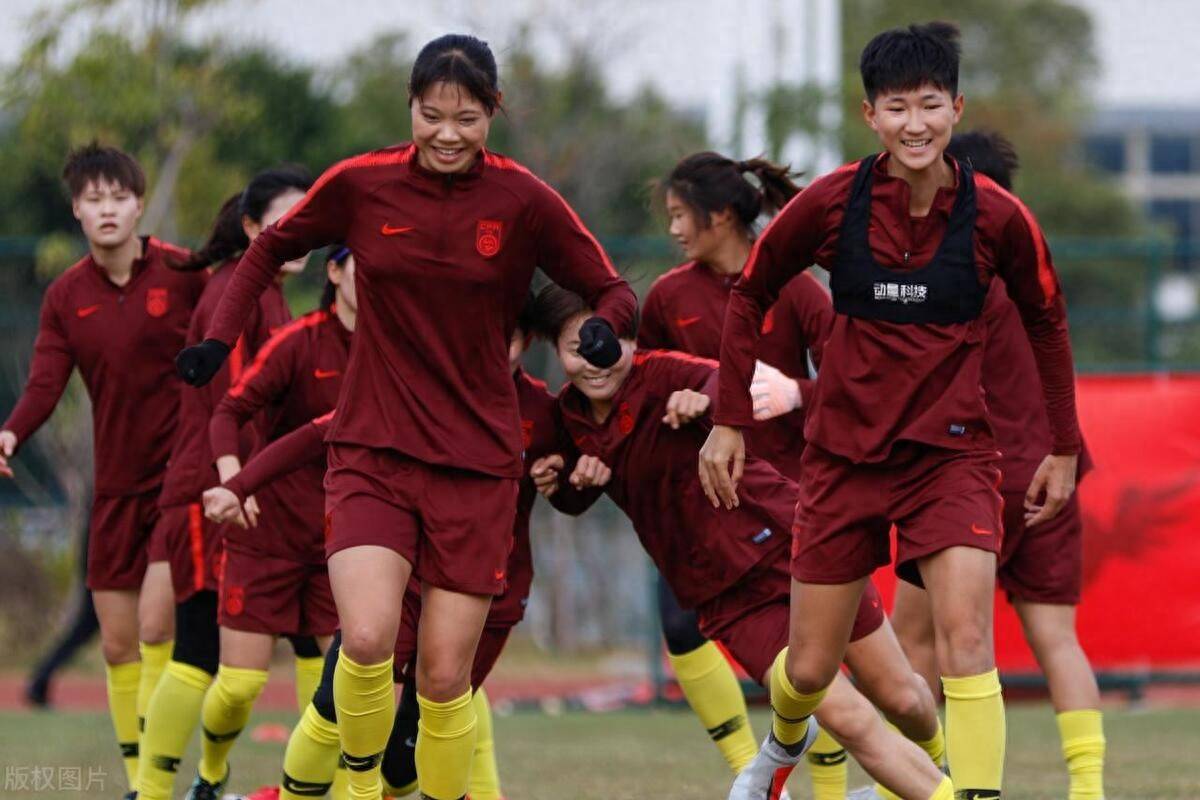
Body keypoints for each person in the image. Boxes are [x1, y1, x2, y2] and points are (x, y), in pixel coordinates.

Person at [176, 34, 637, 800]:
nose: (447, 134)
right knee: (364, 639)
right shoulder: (362, 183)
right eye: (431, 115)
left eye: (466, 118)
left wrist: (604, 330)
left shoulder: (523, 200)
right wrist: (217, 340)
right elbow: (265, 251)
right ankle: (358, 791)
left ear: (492, 113)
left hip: (476, 465)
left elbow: (613, 290)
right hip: (373, 449)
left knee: (444, 678)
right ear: (410, 107)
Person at [698, 23, 1082, 800]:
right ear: (870, 114)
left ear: (956, 108)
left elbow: (1047, 320)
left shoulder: (997, 216)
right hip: (843, 460)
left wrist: (1063, 446)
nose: (916, 124)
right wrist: (729, 420)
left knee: (966, 637)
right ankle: (784, 739)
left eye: (931, 105)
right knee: (809, 669)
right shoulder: (832, 203)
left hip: (953, 457)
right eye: (897, 107)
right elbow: (751, 293)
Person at [529, 285, 954, 800]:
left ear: (631, 338)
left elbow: (726, 379)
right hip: (725, 597)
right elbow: (570, 494)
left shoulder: (664, 373)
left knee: (903, 698)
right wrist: (570, 483)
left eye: (607, 341)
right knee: (847, 716)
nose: (595, 360)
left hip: (793, 549)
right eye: (577, 349)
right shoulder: (569, 419)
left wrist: (707, 399)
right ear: (555, 352)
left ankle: (941, 767)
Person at [201, 301, 587, 800]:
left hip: (485, 593)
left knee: (407, 761)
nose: (490, 350)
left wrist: (566, 482)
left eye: (505, 339)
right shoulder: (416, 393)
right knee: (332, 708)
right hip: (403, 587)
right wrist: (238, 485)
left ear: (526, 342)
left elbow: (580, 486)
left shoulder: (543, 413)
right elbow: (315, 435)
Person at [647, 152, 945, 798]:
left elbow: (856, 386)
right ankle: (758, 779)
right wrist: (677, 401)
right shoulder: (668, 297)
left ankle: (942, 765)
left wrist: (794, 393)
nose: (672, 229)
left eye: (679, 215)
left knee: (894, 693)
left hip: (798, 511)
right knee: (748, 652)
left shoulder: (798, 289)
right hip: (713, 517)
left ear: (719, 216)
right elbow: (641, 385)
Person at [883, 130, 1104, 800]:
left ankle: (907, 784)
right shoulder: (1034, 268)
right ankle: (1088, 788)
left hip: (971, 476)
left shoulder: (955, 272)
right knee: (1058, 642)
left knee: (915, 641)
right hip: (1052, 471)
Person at [0, 142, 205, 799]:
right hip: (113, 489)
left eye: (120, 197)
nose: (108, 209)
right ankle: (140, 780)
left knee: (156, 628)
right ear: (76, 211)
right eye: (94, 199)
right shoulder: (66, 297)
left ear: (140, 205)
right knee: (118, 646)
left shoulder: (185, 273)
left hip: (180, 484)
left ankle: (157, 786)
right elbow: (44, 383)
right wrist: (10, 433)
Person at [136, 168, 317, 800]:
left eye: (307, 220)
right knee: (197, 648)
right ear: (250, 225)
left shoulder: (267, 290)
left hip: (249, 491)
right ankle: (150, 790)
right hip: (213, 493)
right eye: (285, 220)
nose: (299, 233)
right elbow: (229, 403)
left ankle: (238, 781)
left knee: (309, 636)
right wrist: (234, 481)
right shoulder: (235, 293)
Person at [173, 247, 356, 797]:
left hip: (345, 542)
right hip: (266, 534)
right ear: (334, 271)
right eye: (363, 266)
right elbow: (228, 411)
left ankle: (326, 790)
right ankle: (210, 774)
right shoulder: (299, 342)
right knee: (238, 685)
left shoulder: (396, 353)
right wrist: (233, 478)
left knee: (345, 688)